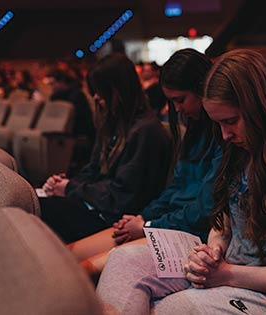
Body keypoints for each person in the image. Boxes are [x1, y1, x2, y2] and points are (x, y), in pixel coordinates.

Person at [96, 49, 266, 315]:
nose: (225, 135)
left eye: (230, 121)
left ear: (262, 107)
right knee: (123, 261)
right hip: (228, 268)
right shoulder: (243, 145)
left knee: (171, 309)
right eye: (218, 124)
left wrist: (228, 274)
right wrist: (213, 250)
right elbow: (225, 222)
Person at [68, 48, 222, 277]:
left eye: (180, 100)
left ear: (203, 90)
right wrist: (144, 217)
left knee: (83, 271)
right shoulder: (195, 130)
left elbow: (204, 210)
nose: (177, 109)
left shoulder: (223, 135)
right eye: (172, 102)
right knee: (66, 256)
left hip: (189, 233)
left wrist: (149, 225)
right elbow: (175, 188)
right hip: (166, 223)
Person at [40, 53, 172, 243]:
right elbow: (92, 171)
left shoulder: (146, 131)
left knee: (38, 212)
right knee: (31, 207)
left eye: (100, 91)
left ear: (118, 90)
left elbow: (122, 197)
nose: (96, 97)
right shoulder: (113, 123)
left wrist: (71, 188)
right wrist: (65, 183)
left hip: (113, 217)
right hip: (96, 204)